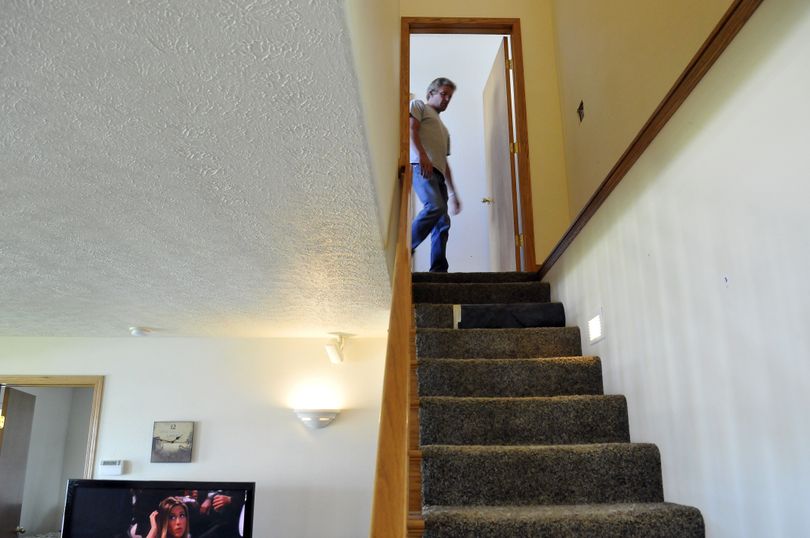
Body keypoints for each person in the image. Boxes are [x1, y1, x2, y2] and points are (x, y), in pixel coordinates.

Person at [410, 77, 462, 272]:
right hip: (422, 168)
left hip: (438, 174)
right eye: (443, 94)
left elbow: (445, 162)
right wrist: (422, 155)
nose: (447, 99)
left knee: (443, 223)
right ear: (431, 93)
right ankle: (407, 245)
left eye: (450, 96)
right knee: (434, 206)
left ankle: (439, 270)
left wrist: (453, 193)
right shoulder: (418, 106)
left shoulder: (444, 130)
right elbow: (411, 130)